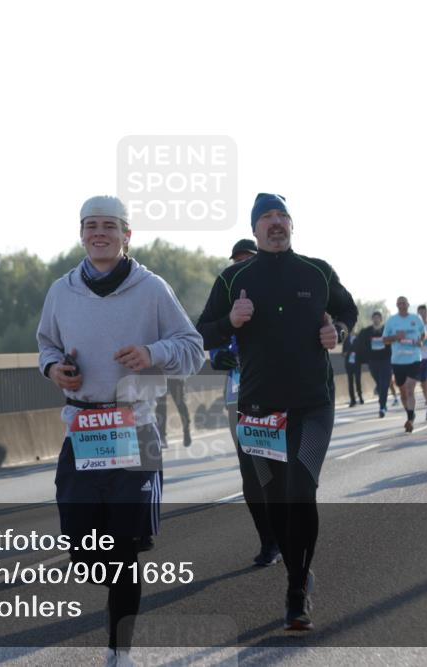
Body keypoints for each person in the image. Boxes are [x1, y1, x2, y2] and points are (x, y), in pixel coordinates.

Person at [38, 195, 204, 664]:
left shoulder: (152, 288)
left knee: (125, 550)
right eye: (91, 225)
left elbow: (193, 349)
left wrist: (153, 353)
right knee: (86, 549)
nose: (99, 233)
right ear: (81, 233)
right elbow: (46, 345)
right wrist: (54, 369)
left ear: (127, 235)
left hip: (135, 426)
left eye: (109, 225)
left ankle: (118, 651)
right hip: (83, 429)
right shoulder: (61, 291)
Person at [197, 193, 357, 632]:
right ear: (255, 228)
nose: (275, 223)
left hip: (312, 406)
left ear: (291, 225)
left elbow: (347, 308)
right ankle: (296, 570)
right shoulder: (233, 279)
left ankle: (296, 586)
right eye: (266, 217)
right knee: (274, 500)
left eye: (282, 216)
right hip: (258, 411)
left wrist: (337, 329)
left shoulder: (317, 270)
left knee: (301, 491)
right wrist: (231, 321)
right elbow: (202, 331)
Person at [208, 238, 279, 566]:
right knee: (250, 474)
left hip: (281, 395)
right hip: (238, 397)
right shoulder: (225, 297)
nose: (240, 267)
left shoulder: (279, 292)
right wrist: (218, 356)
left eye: (246, 260)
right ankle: (268, 541)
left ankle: (286, 533)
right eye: (236, 262)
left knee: (278, 471)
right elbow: (207, 336)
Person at [383, 296, 425, 433]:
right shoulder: (391, 321)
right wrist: (396, 337)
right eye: (399, 303)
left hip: (414, 359)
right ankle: (410, 413)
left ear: (408, 304)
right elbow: (384, 340)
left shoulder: (415, 319)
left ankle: (410, 420)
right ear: (396, 305)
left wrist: (420, 341)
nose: (401, 305)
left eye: (404, 303)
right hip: (397, 360)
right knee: (403, 392)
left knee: (409, 388)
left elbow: (423, 335)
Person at [360, 311, 392, 417]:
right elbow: (362, 345)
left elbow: (393, 342)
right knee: (379, 383)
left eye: (378, 318)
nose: (376, 319)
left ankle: (382, 407)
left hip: (386, 360)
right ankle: (382, 401)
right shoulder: (367, 331)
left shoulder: (387, 330)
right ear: (372, 319)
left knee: (384, 384)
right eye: (374, 318)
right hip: (373, 361)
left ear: (381, 319)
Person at [343, 328, 363, 407]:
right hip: (349, 364)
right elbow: (343, 352)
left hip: (357, 363)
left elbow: (362, 349)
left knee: (358, 380)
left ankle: (360, 396)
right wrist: (347, 353)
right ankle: (352, 400)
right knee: (350, 382)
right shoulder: (346, 339)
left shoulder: (358, 338)